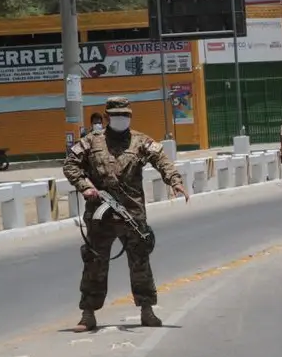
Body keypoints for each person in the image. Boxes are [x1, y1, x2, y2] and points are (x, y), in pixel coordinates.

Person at [62, 96, 189, 332]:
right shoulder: (91, 141)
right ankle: (88, 314)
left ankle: (147, 310)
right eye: (117, 115)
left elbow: (162, 160)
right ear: (108, 116)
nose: (122, 119)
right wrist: (86, 187)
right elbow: (70, 165)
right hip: (101, 216)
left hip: (132, 213)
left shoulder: (141, 141)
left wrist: (175, 181)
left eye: (126, 115)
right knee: (94, 264)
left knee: (140, 262)